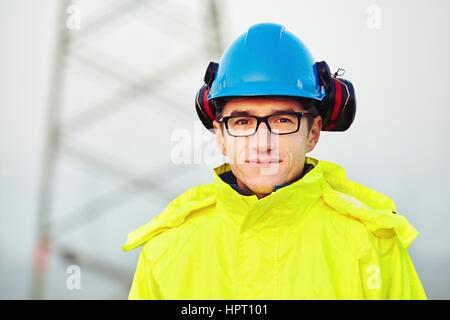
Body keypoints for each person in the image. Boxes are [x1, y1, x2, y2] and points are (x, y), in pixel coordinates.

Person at [122, 23, 427, 299]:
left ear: (313, 132)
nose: (262, 142)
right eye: (242, 122)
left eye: (282, 120)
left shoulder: (374, 245)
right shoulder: (166, 250)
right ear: (221, 136)